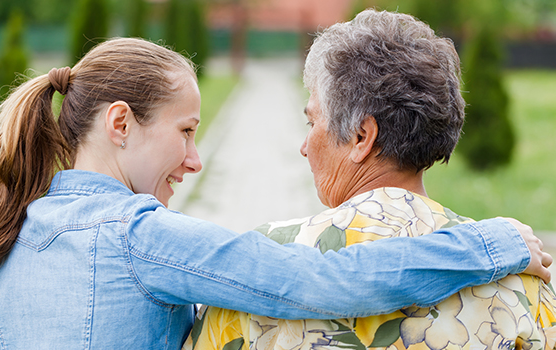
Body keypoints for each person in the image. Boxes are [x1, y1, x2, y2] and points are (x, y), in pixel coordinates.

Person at [0, 37, 549, 349]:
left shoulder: (11, 227)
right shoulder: (137, 236)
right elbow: (322, 283)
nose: (195, 159)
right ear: (119, 124)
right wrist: (489, 244)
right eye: (186, 131)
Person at [183, 9, 556, 350]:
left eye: (312, 122)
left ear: (362, 137)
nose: (303, 147)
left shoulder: (261, 268)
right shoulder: (522, 276)